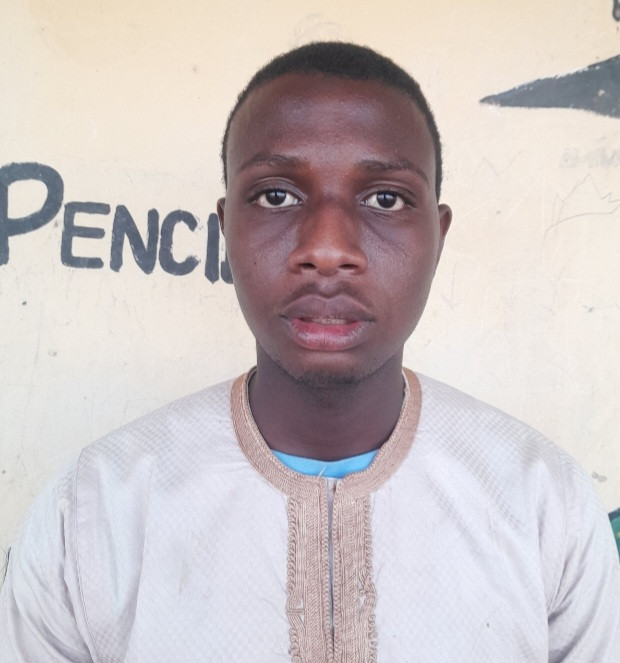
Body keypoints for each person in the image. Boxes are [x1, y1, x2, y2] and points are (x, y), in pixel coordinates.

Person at [1, 42, 619, 663]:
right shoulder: (91, 514)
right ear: (226, 229)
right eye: (276, 196)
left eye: (385, 199)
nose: (326, 249)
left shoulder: (547, 508)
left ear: (438, 237)